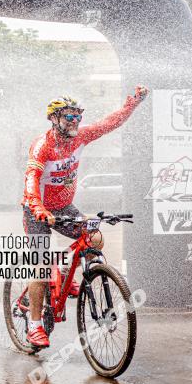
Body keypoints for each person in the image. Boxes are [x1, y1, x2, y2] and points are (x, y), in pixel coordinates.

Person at [21, 86, 149, 348]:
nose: (76, 121)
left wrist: (133, 103)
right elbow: (31, 180)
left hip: (65, 207)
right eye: (69, 116)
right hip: (37, 211)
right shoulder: (42, 146)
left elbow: (110, 123)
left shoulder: (80, 137)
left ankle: (68, 275)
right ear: (54, 118)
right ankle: (34, 326)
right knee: (43, 266)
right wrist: (38, 208)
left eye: (78, 116)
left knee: (95, 239)